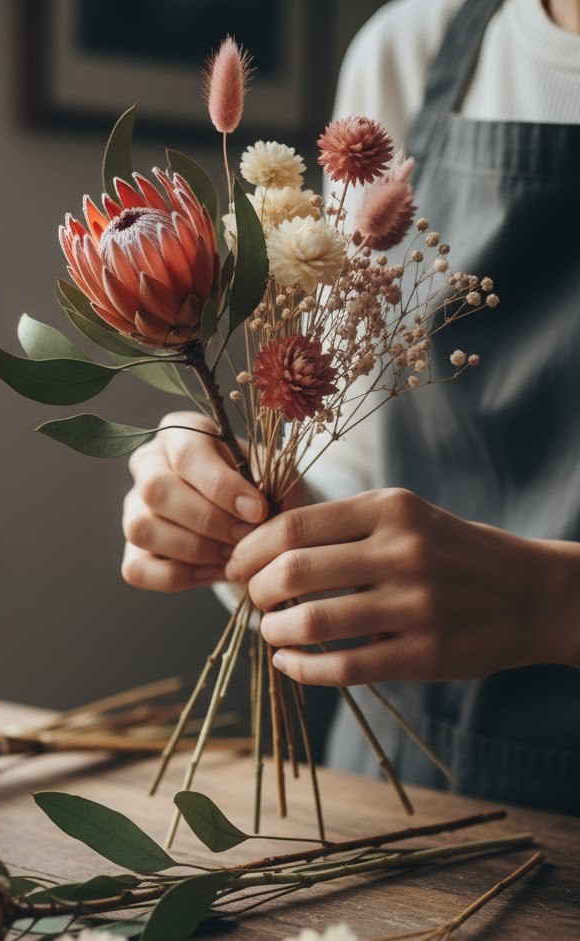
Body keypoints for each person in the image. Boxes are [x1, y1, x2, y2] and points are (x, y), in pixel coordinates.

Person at [120, 0, 580, 813]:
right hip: (396, 795)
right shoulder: (411, 51)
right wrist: (249, 508)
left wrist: (552, 603)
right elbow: (346, 465)